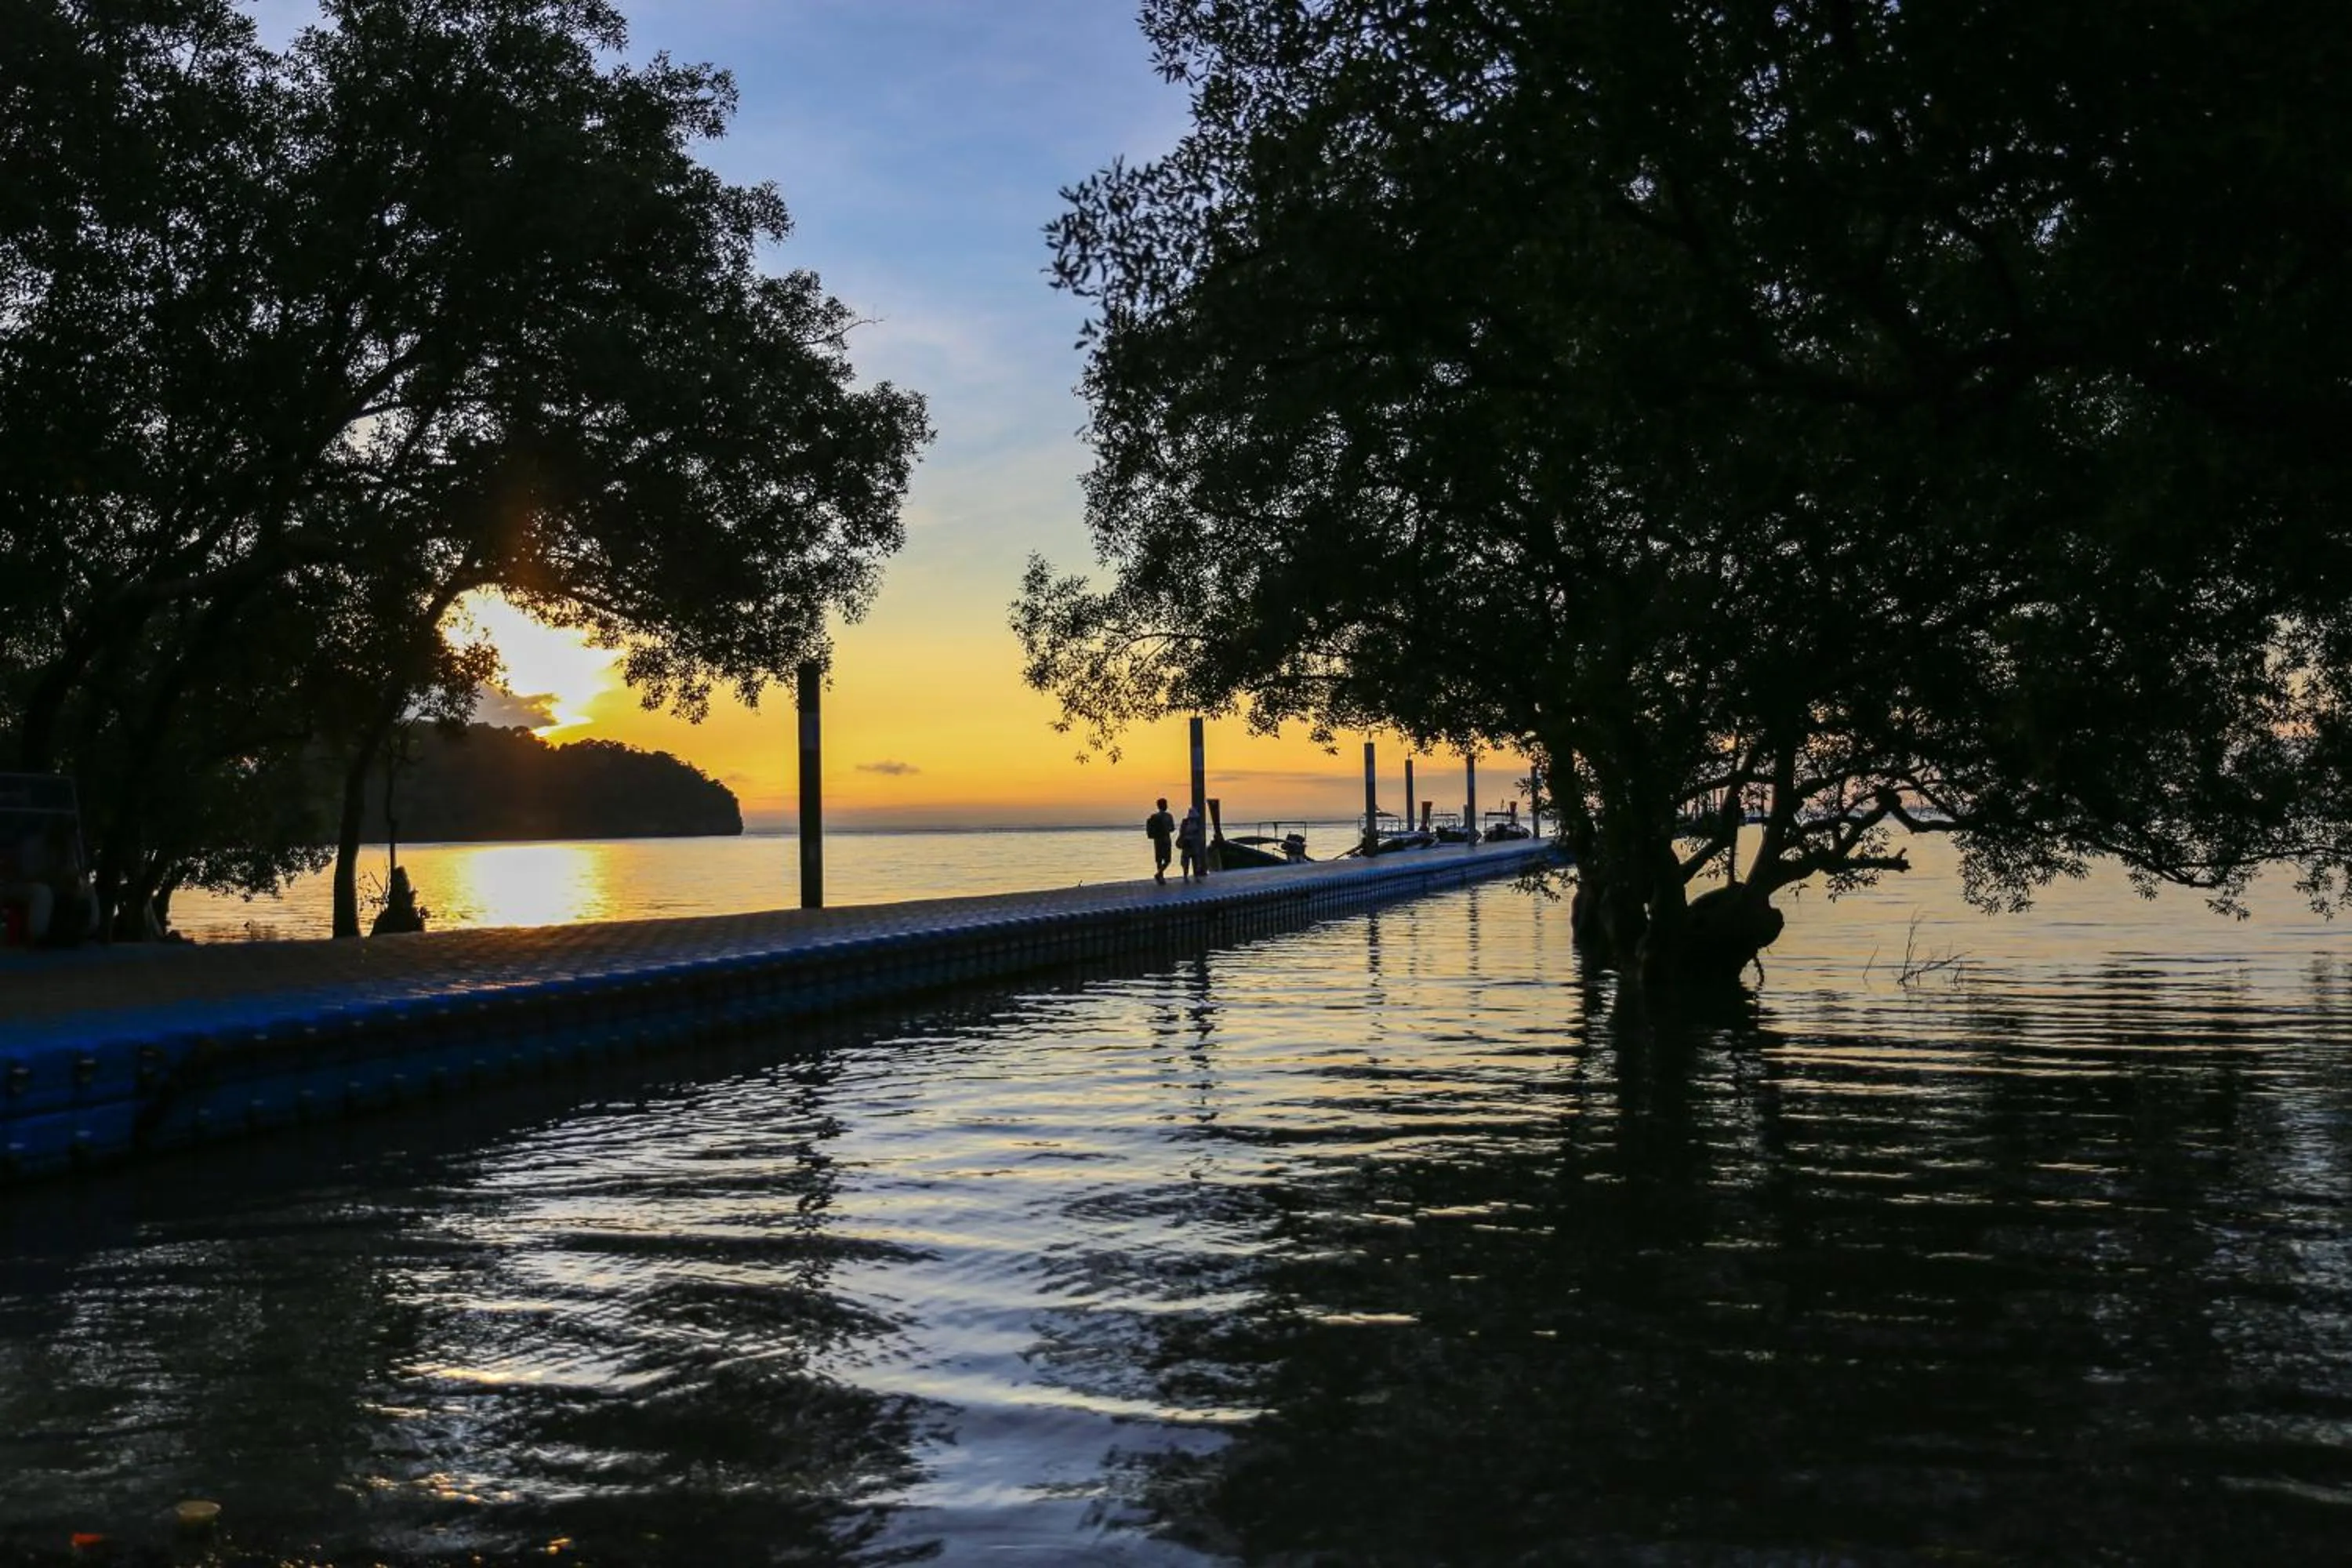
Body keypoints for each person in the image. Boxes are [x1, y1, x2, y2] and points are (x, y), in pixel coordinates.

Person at [1145, 797, 1177, 884]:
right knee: (1167, 860)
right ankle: (1159, 874)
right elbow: (1172, 828)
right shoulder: (1168, 816)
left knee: (1159, 860)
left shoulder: (1154, 816)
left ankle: (1160, 876)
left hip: (1157, 840)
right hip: (1166, 839)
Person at [1176, 806, 1206, 879]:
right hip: (1187, 843)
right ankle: (1186, 875)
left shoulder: (1197, 822)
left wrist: (1201, 839)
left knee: (1195, 860)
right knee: (1186, 860)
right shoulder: (1185, 822)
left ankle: (1196, 875)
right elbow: (1182, 832)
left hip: (1195, 843)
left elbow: (1200, 832)